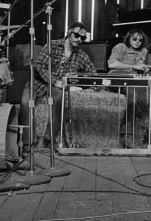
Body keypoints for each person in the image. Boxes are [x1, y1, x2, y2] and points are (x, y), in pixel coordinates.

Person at [19, 21, 97, 150]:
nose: (79, 39)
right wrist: (54, 81)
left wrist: (91, 88)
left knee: (60, 98)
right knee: (26, 102)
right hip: (38, 83)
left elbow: (93, 73)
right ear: (69, 33)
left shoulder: (81, 55)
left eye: (82, 38)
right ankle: (27, 143)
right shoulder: (52, 45)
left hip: (56, 89)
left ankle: (48, 140)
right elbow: (39, 65)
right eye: (77, 35)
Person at [107, 29, 151, 147]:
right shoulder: (120, 47)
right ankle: (127, 134)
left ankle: (145, 132)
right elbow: (111, 64)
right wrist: (133, 66)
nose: (137, 42)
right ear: (128, 38)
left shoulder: (143, 51)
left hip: (133, 78)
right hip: (117, 75)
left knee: (145, 98)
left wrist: (145, 68)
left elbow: (139, 67)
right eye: (135, 39)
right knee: (132, 97)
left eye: (140, 40)